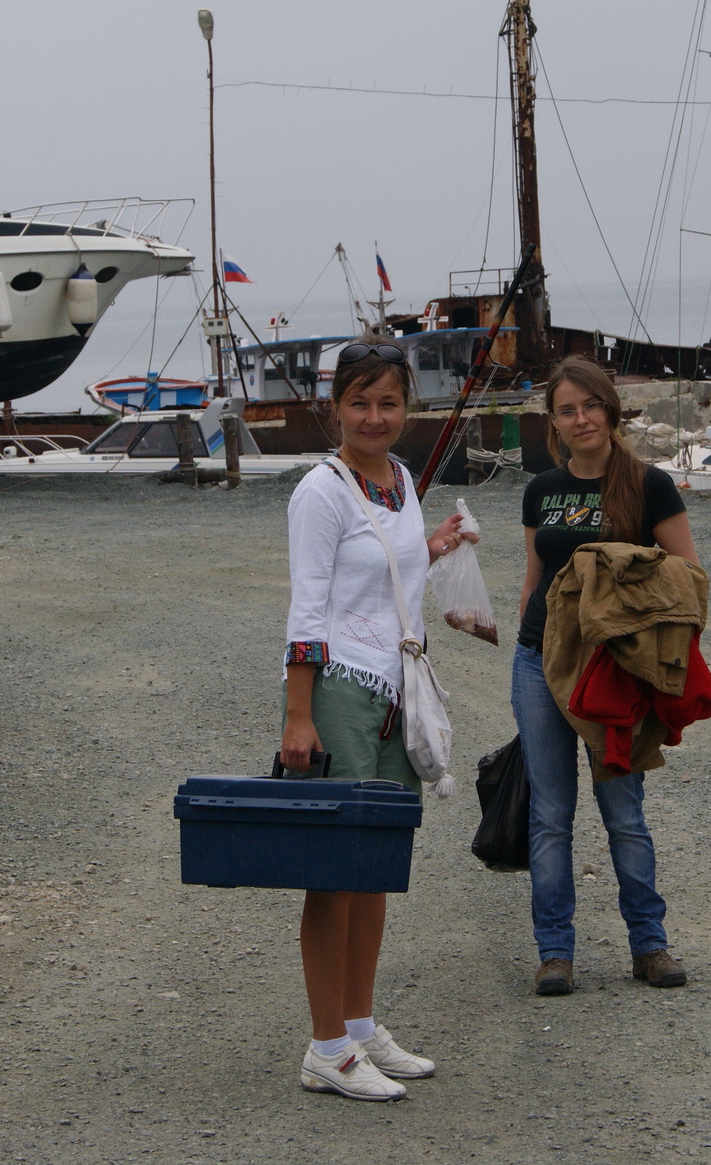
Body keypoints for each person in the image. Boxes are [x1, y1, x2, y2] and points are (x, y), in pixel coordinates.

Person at [278, 338, 471, 1100]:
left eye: (388, 402)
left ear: (407, 406)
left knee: (376, 866)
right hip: (338, 691)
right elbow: (308, 604)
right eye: (359, 402)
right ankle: (325, 1045)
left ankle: (358, 1025)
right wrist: (300, 714)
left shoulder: (396, 480)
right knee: (333, 873)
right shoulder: (319, 491)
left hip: (396, 690)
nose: (374, 416)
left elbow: (382, 569)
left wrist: (434, 545)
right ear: (336, 407)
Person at [514, 355, 700, 996]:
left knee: (623, 810)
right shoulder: (541, 491)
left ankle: (650, 945)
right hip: (542, 662)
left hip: (617, 670)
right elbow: (533, 585)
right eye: (567, 410)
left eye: (589, 405)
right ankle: (555, 954)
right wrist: (521, 646)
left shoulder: (649, 485)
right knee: (550, 813)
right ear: (554, 423)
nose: (580, 418)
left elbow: (687, 581)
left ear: (609, 409)